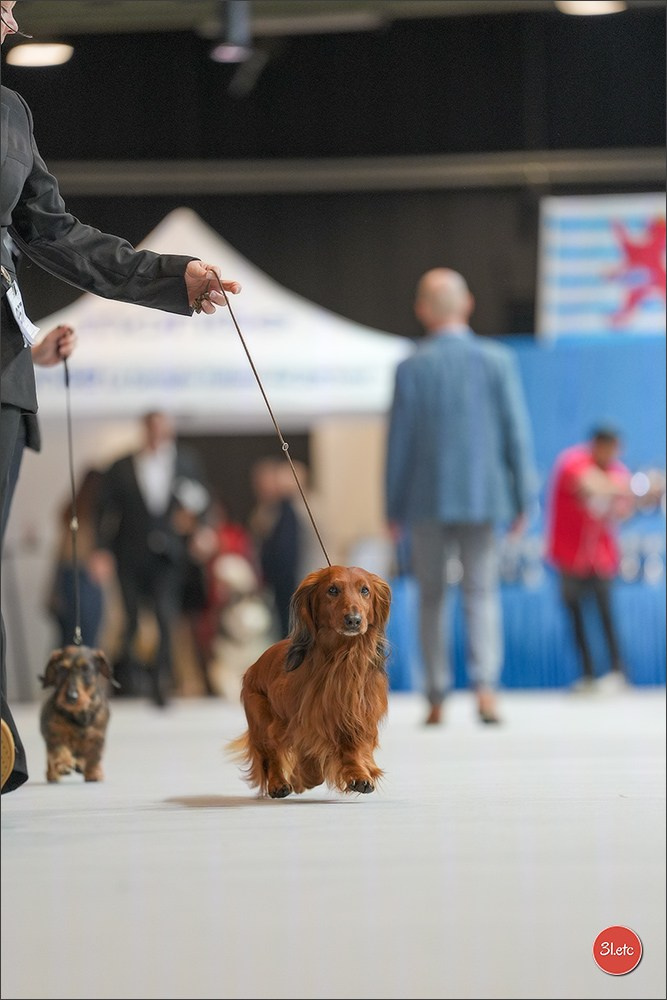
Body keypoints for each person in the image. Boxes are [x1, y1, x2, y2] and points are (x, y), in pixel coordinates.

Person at [1, 0, 241, 793]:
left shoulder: (12, 113)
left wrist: (171, 275)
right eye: (2, 7)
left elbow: (54, 234)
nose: (11, 21)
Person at [385, 267, 536, 726]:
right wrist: (524, 497)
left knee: (430, 596)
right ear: (467, 305)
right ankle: (485, 689)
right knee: (481, 592)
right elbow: (516, 432)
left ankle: (434, 696)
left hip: (425, 500)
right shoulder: (498, 360)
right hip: (484, 496)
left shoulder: (410, 367)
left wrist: (392, 507)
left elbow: (399, 444)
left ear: (422, 311)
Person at [94, 411, 212, 708]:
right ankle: (132, 681)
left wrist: (200, 531)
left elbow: (203, 501)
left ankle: (162, 681)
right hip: (130, 553)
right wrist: (101, 550)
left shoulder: (186, 462)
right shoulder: (122, 466)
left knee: (165, 616)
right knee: (131, 618)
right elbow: (103, 510)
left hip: (169, 554)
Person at [544, 425, 638, 692]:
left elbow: (624, 510)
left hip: (601, 557)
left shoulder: (617, 471)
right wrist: (631, 487)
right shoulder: (572, 461)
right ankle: (588, 675)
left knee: (606, 614)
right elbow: (588, 483)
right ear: (597, 445)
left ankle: (618, 672)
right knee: (576, 615)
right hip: (568, 555)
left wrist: (626, 497)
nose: (613, 454)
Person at [46, 467, 111, 651]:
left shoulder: (72, 512)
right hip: (81, 582)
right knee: (83, 645)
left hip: (67, 584)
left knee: (69, 645)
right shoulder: (87, 518)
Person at [248, 456, 302, 639]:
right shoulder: (264, 511)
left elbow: (286, 552)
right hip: (270, 583)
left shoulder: (287, 510)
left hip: (285, 582)